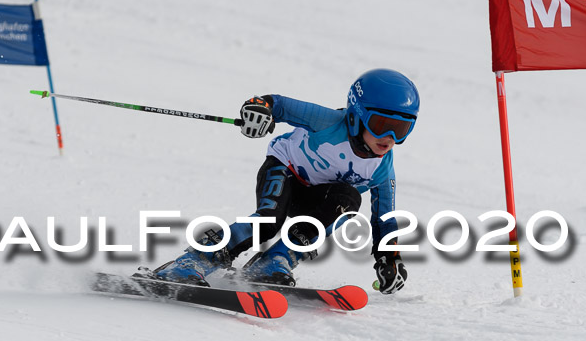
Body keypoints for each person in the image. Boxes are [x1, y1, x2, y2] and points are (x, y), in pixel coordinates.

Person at [150, 69, 419, 295]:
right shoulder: (327, 122)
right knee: (268, 220)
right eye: (381, 124)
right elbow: (276, 103)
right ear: (355, 115)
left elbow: (385, 219)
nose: (389, 137)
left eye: (402, 128)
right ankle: (192, 261)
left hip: (315, 199)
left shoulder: (382, 169)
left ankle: (274, 261)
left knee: (348, 201)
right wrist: (259, 110)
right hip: (285, 169)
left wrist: (389, 258)